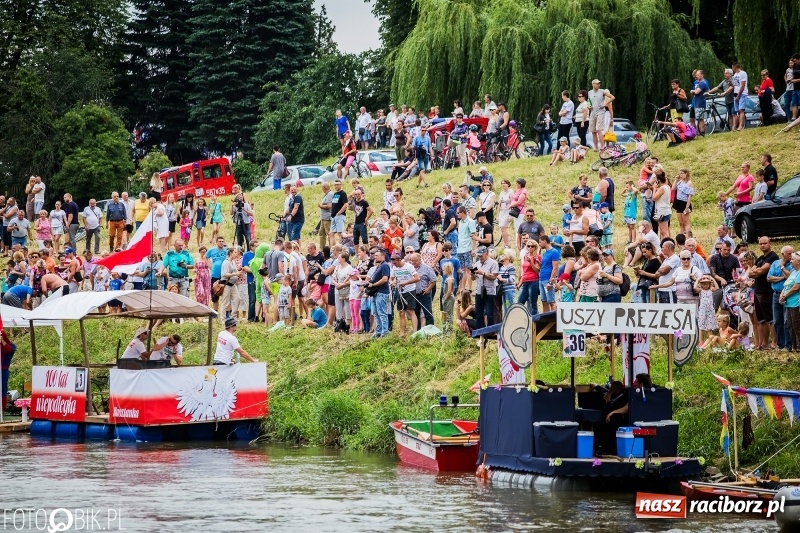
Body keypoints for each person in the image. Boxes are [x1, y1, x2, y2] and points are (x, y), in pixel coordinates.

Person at [367, 248, 391, 339]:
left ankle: (384, 332)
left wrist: (373, 285)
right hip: (375, 292)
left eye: (377, 255)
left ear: (382, 256)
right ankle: (378, 331)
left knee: (382, 313)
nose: (375, 257)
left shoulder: (385, 265)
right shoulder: (378, 266)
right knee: (376, 313)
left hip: (381, 292)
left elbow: (385, 279)